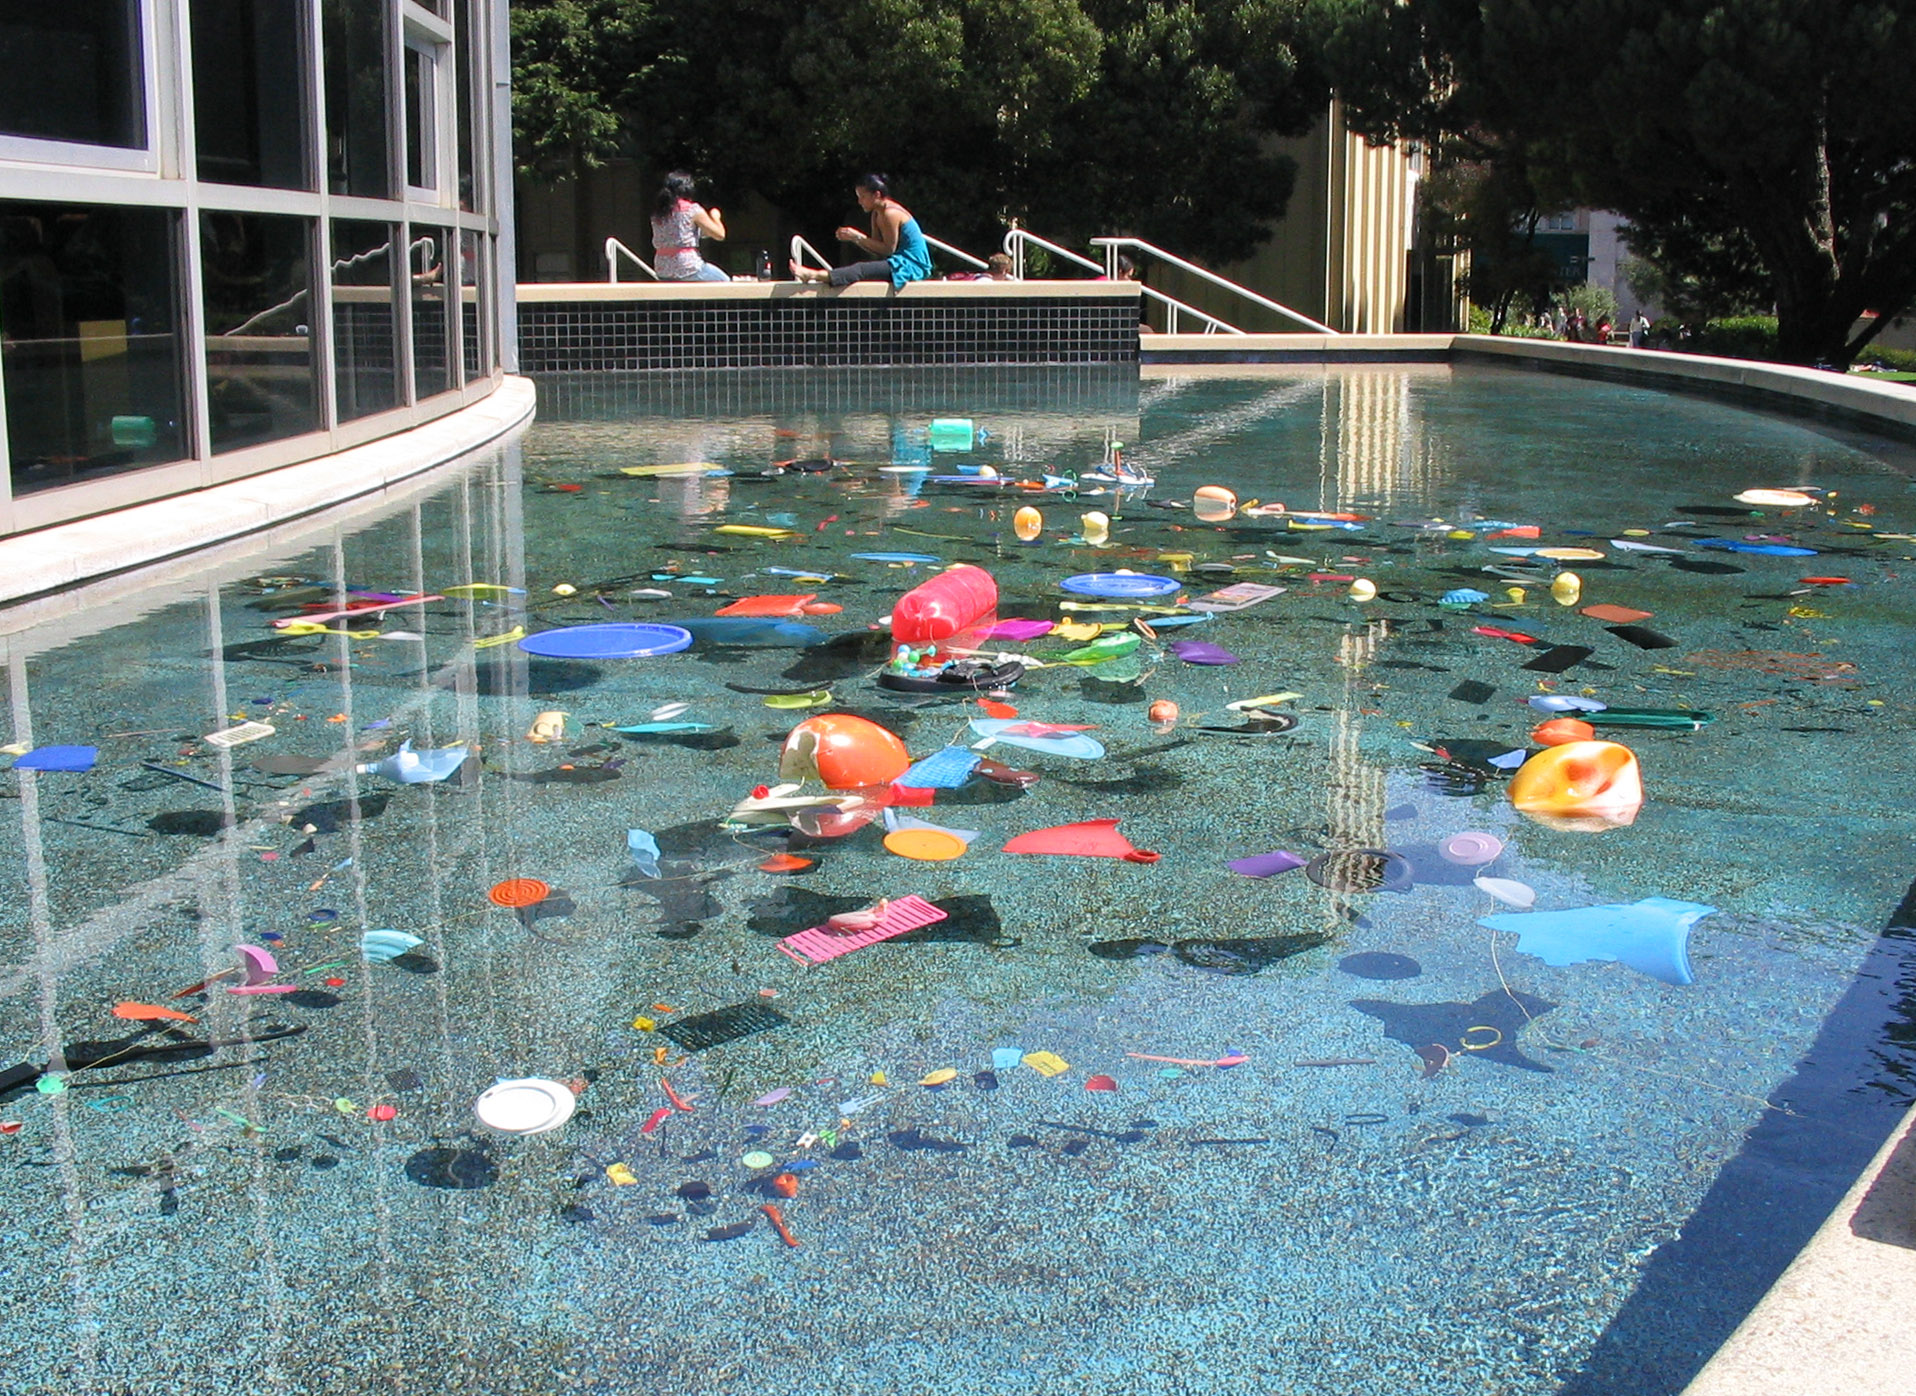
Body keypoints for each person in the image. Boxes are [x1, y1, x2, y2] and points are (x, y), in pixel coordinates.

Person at [789, 174, 932, 289]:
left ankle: (813, 274)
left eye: (862, 197)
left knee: (860, 269)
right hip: (898, 261)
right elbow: (877, 248)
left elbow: (888, 249)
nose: (859, 202)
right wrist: (854, 238)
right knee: (861, 268)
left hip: (911, 265)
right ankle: (816, 274)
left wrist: (857, 237)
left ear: (876, 195)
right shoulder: (876, 213)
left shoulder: (890, 213)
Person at [650, 171, 728, 282]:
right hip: (688, 268)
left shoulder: (658, 213)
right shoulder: (692, 210)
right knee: (724, 281)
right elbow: (720, 234)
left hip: (662, 269)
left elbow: (681, 234)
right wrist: (715, 216)